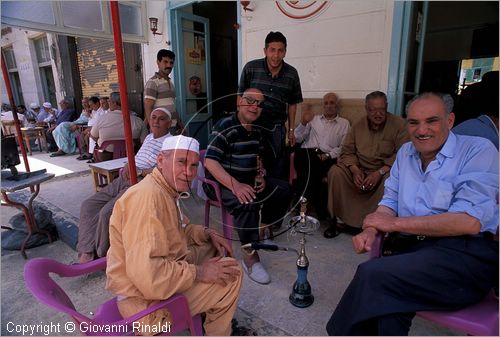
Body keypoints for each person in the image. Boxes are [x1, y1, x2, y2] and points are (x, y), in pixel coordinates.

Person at [325, 92, 499, 336]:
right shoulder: (406, 153)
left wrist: (393, 224)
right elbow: (390, 200)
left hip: (463, 257)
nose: (422, 130)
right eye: (414, 122)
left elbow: (469, 221)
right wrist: (371, 229)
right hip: (412, 253)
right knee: (388, 308)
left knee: (372, 275)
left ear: (450, 121)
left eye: (432, 121)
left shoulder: (477, 150)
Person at [106, 135, 242, 336]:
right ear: (161, 161)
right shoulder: (148, 199)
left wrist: (206, 233)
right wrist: (200, 272)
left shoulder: (162, 189)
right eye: (181, 162)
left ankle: (209, 313)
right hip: (146, 307)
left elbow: (178, 230)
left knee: (211, 249)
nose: (188, 172)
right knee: (233, 275)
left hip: (149, 287)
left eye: (194, 166)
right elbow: (149, 277)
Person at [203, 88, 292, 285]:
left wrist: (260, 174)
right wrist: (236, 186)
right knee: (247, 200)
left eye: (259, 104)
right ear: (239, 102)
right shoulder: (225, 125)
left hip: (246, 180)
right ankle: (250, 258)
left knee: (283, 189)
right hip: (220, 183)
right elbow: (210, 162)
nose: (254, 106)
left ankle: (262, 229)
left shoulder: (257, 130)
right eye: (250, 101)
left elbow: (257, 158)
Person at [77, 107, 172, 263]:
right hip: (127, 176)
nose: (155, 121)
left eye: (161, 119)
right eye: (153, 117)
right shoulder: (148, 138)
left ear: (169, 123)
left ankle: (100, 255)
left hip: (143, 181)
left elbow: (165, 170)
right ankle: (86, 250)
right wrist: (129, 163)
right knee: (89, 205)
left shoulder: (170, 143)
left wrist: (139, 171)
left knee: (107, 212)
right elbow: (138, 157)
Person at [324, 91, 408, 238]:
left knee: (391, 178)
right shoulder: (358, 125)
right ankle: (338, 220)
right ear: (366, 109)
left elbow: (403, 154)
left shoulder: (399, 125)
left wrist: (379, 172)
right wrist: (355, 170)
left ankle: (378, 225)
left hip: (382, 172)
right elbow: (347, 151)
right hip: (360, 170)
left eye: (381, 109)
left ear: (386, 107)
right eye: (373, 110)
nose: (378, 114)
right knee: (336, 172)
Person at [238, 31, 303, 181]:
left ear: (285, 52)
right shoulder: (251, 68)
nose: (276, 55)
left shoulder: (292, 74)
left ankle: (275, 199)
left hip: (276, 127)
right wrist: (241, 122)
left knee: (277, 165)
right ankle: (252, 199)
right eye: (272, 50)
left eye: (280, 50)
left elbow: (292, 103)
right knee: (250, 161)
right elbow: (240, 96)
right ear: (265, 50)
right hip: (252, 124)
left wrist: (291, 130)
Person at [293, 92, 350, 220]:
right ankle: (320, 209)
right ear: (323, 105)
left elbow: (344, 146)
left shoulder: (344, 123)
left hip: (326, 158)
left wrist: (329, 155)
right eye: (326, 103)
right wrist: (303, 122)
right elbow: (297, 139)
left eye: (332, 103)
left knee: (307, 174)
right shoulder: (314, 119)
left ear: (337, 105)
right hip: (306, 154)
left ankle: (302, 206)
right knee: (306, 159)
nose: (329, 106)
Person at [90, 92, 147, 161]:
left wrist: (103, 141)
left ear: (114, 103)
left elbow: (93, 136)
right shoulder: (138, 120)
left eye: (109, 101)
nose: (108, 103)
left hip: (107, 156)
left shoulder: (102, 119)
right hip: (131, 156)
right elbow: (144, 141)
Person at [144, 49, 182, 133]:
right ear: (158, 62)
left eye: (171, 63)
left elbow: (173, 106)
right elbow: (148, 107)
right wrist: (153, 127)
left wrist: (180, 124)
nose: (169, 65)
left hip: (173, 127)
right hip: (160, 128)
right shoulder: (153, 82)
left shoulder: (171, 83)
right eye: (165, 62)